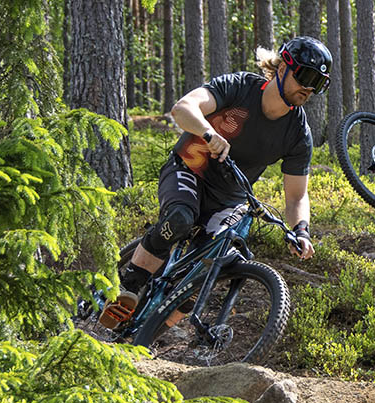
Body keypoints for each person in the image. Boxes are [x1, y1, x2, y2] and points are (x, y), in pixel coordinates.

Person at [99, 36, 332, 328]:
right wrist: (208, 134)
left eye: (319, 83)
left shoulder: (298, 133)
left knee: (206, 271)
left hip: (228, 199)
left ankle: (146, 337)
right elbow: (183, 108)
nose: (309, 89)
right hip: (189, 170)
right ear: (284, 66)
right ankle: (129, 285)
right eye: (306, 77)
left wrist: (302, 231)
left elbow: (296, 196)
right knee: (181, 217)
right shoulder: (240, 87)